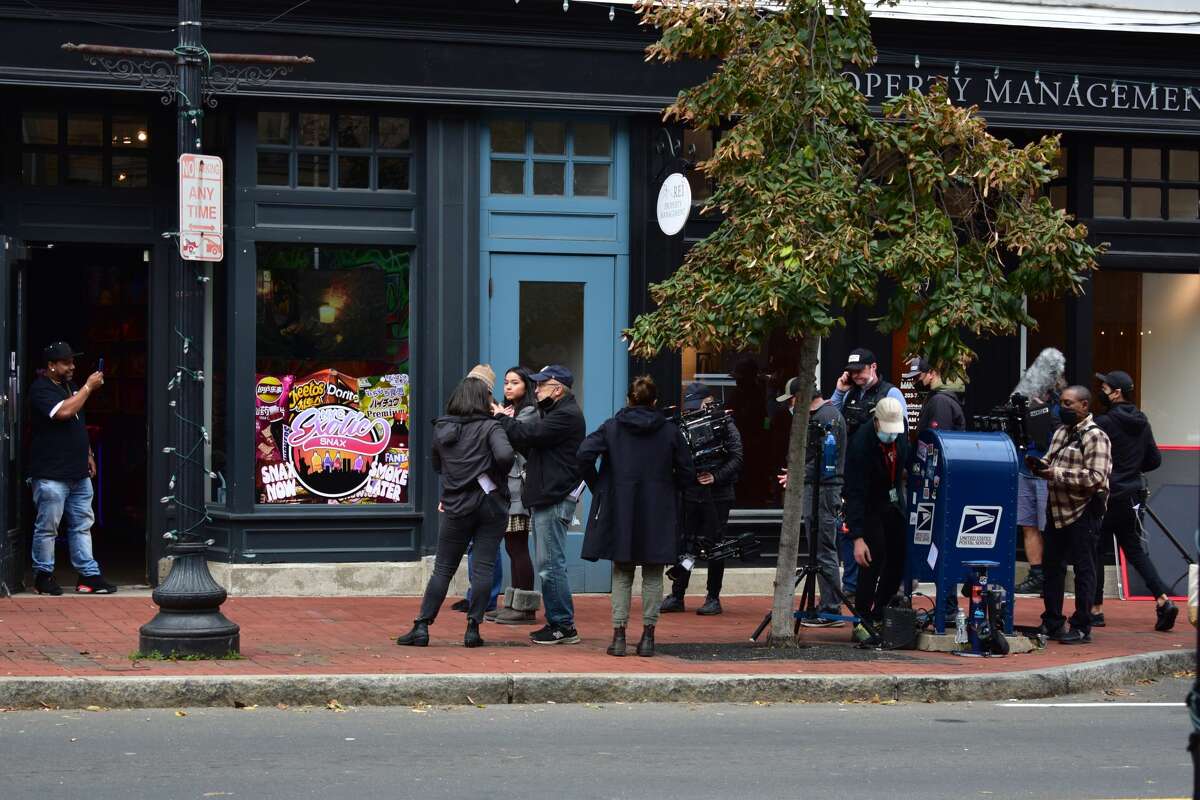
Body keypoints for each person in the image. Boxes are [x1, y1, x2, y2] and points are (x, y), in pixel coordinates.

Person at [578, 376, 695, 657]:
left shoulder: (612, 428)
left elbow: (583, 454)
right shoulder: (668, 431)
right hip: (658, 508)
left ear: (629, 399)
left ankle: (619, 636)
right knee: (653, 573)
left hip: (621, 506)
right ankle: (648, 637)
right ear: (654, 401)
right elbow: (688, 472)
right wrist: (671, 488)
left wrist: (600, 487)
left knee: (622, 570)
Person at [397, 365, 513, 649]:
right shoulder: (491, 426)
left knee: (443, 569)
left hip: (455, 504)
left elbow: (437, 465)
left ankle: (422, 625)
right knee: (483, 568)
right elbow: (506, 455)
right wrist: (490, 472)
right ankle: (473, 628)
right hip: (491, 504)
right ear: (482, 399)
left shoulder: (443, 428)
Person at [495, 364, 586, 645]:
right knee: (550, 563)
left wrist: (501, 418)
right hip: (547, 496)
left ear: (557, 389)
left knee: (550, 565)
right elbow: (532, 446)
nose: (535, 390)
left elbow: (530, 436)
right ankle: (559, 622)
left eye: (540, 385)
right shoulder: (556, 412)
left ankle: (562, 625)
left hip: (553, 498)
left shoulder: (566, 416)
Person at [1090, 370, 1177, 631]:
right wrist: (1132, 467)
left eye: (1104, 388)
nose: (1101, 392)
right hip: (1132, 494)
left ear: (1117, 393)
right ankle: (1163, 600)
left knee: (1096, 550)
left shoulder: (1103, 422)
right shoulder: (1142, 420)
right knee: (1135, 550)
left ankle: (1095, 609)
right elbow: (1154, 459)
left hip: (1107, 495)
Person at [28, 341, 117, 595]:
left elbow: (77, 424)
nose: (72, 367)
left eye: (73, 362)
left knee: (82, 524)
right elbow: (63, 413)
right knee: (48, 527)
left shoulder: (71, 386)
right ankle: (43, 576)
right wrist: (89, 387)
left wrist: (88, 453)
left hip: (78, 471)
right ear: (50, 366)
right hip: (51, 473)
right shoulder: (40, 389)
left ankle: (88, 575)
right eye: (66, 363)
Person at [1030, 385, 1112, 645]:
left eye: (1068, 404)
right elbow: (1050, 460)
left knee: (1084, 569)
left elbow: (1097, 478)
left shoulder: (1096, 437)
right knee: (1052, 568)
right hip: (1055, 510)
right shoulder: (1061, 432)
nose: (1062, 408)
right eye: (1062, 403)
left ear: (1084, 406)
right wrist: (1041, 466)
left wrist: (1056, 474)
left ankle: (1081, 625)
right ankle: (1052, 620)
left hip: (1082, 511)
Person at [661, 382, 743, 616]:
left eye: (698, 405)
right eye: (690, 407)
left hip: (718, 494)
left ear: (709, 401)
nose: (693, 410)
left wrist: (715, 477)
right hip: (690, 492)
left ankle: (713, 597)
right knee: (686, 543)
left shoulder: (725, 423)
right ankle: (677, 594)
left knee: (715, 544)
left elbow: (737, 457)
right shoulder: (683, 424)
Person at [843, 396, 909, 644]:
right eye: (887, 431)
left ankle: (881, 609)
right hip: (869, 503)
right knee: (873, 555)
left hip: (892, 500)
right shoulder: (861, 444)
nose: (892, 436)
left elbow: (904, 460)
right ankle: (862, 617)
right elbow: (855, 493)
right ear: (877, 422)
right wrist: (857, 537)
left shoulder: (899, 433)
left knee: (899, 555)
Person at [1012, 348, 1066, 596]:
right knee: (1028, 524)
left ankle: (1052, 574)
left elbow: (1061, 435)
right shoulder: (1024, 400)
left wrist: (1044, 413)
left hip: (1047, 469)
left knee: (1048, 526)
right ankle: (1036, 574)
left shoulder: (1062, 403)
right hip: (1026, 466)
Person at [492, 367, 542, 624]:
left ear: (527, 386)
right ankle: (513, 603)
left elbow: (515, 440)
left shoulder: (530, 412)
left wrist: (501, 418)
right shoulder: (510, 411)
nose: (508, 387)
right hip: (507, 489)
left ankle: (525, 608)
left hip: (517, 491)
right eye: (506, 382)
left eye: (514, 382)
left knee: (517, 546)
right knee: (512, 546)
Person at [832, 348, 907, 439]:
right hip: (850, 451)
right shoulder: (849, 393)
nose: (855, 375)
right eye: (852, 371)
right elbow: (833, 418)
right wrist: (839, 392)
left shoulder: (891, 392)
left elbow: (902, 432)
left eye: (859, 370)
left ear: (873, 367)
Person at [903, 357, 965, 433]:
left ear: (931, 373)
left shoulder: (940, 401)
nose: (914, 382)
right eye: (912, 378)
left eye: (917, 377)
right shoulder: (936, 397)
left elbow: (938, 439)